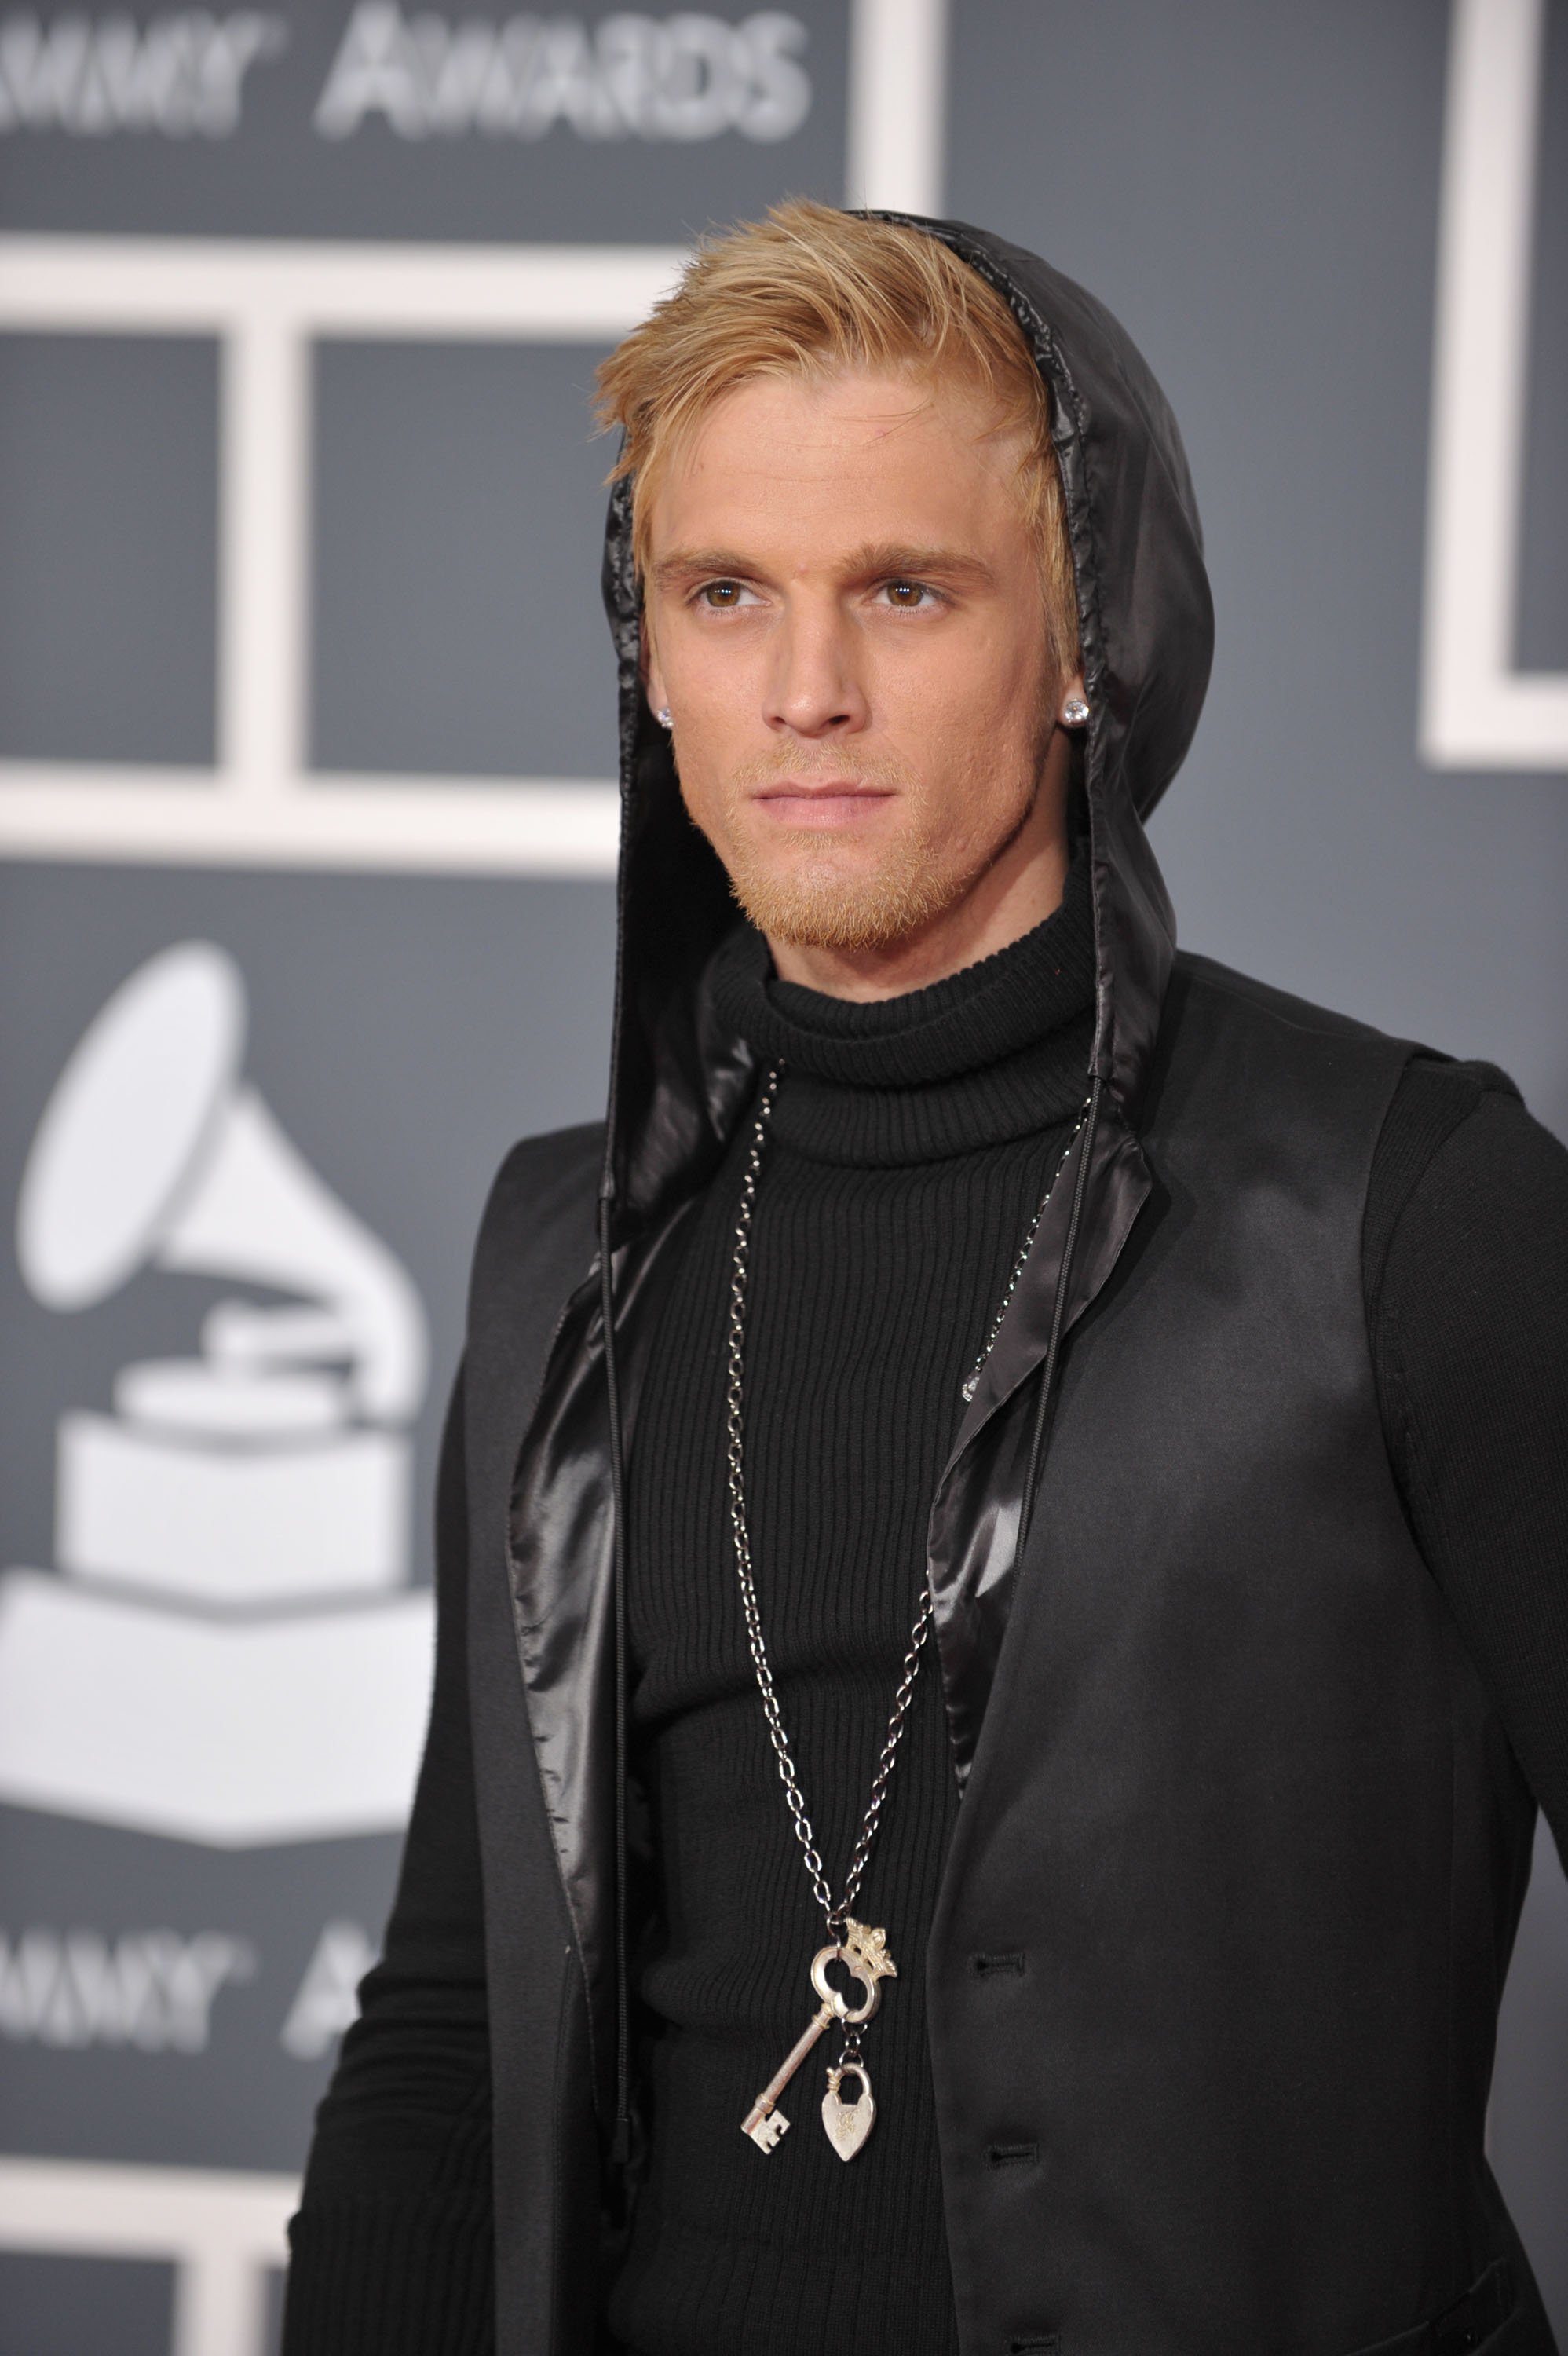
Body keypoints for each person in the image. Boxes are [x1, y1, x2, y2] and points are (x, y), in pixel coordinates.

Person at [283, 203, 1568, 2356]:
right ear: (649, 659)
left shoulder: (1414, 1209)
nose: (805, 691)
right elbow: (455, 2028)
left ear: (1084, 641)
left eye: (904, 589)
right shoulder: (556, 1254)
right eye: (724, 597)